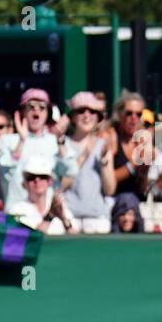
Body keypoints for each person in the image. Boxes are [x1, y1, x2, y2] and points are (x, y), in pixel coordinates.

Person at [0, 88, 67, 212]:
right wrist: (22, 140)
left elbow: (69, 173)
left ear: (47, 113)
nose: (36, 110)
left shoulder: (56, 142)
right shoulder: (6, 141)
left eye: (42, 107)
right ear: (22, 112)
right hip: (16, 214)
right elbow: (4, 173)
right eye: (31, 106)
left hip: (49, 215)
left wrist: (61, 141)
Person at [59, 91, 116, 233]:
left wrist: (103, 161)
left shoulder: (103, 145)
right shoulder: (62, 144)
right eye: (81, 111)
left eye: (92, 112)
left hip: (98, 219)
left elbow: (110, 190)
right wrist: (84, 154)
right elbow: (60, 186)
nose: (87, 115)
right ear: (72, 117)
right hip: (69, 218)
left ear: (98, 118)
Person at [7, 155, 71, 234]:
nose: (37, 180)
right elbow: (29, 241)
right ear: (24, 184)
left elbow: (77, 240)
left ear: (49, 181)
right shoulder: (16, 211)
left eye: (42, 176)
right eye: (31, 177)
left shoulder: (60, 207)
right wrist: (49, 217)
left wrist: (64, 219)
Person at [108, 91, 154, 200]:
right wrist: (134, 165)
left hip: (138, 203)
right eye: (129, 113)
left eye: (138, 114)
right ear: (119, 114)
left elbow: (144, 186)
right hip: (114, 202)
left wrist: (147, 166)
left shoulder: (143, 138)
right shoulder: (111, 136)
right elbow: (107, 181)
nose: (134, 118)